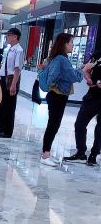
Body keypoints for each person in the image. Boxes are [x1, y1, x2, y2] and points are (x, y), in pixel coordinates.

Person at [39, 33, 86, 166]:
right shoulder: (62, 59)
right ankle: (45, 155)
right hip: (58, 96)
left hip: (55, 95)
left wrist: (79, 69)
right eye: (71, 42)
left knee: (53, 124)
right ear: (64, 43)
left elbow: (66, 74)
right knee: (53, 125)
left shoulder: (56, 58)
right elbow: (74, 77)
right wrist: (84, 69)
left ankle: (46, 153)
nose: (72, 45)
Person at [64, 49, 101, 167]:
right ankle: (81, 153)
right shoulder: (97, 55)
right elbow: (86, 69)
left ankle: (94, 155)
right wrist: (88, 78)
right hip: (92, 96)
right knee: (80, 123)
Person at [0, 27, 24, 139]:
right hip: (3, 79)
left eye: (9, 35)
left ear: (15, 37)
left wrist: (14, 84)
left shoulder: (19, 50)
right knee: (0, 104)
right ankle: (1, 128)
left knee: (9, 106)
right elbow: (4, 65)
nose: (7, 37)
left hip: (11, 79)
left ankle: (7, 131)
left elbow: (17, 69)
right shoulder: (9, 49)